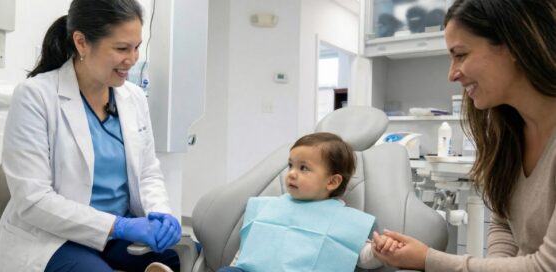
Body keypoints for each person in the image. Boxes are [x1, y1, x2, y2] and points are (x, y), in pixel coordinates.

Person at [0, 0, 181, 271]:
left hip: (113, 235)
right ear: (81, 43)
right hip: (54, 236)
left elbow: (148, 171)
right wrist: (120, 226)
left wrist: (160, 213)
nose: (133, 59)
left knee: (178, 256)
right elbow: (33, 200)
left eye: (136, 47)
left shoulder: (134, 98)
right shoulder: (35, 96)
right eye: (121, 48)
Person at [371, 0, 556, 271]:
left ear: (514, 45)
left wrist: (427, 259)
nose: (452, 74)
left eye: (460, 54)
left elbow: (546, 267)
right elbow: (504, 223)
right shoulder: (510, 133)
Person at [217, 132, 401, 272]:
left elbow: (362, 258)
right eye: (291, 165)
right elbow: (249, 248)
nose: (292, 173)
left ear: (332, 182)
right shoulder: (268, 208)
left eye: (303, 168)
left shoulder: (345, 221)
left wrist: (379, 251)